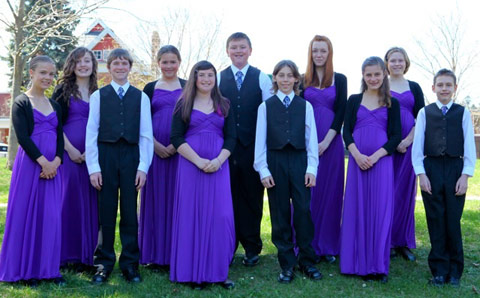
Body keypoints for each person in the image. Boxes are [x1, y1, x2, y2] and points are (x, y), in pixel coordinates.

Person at [85, 48, 153, 284]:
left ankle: (130, 264)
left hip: (131, 156)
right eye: (116, 64)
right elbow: (91, 132)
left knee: (129, 212)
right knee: (106, 210)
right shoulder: (98, 96)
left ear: (130, 68)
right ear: (109, 68)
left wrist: (143, 166)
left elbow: (146, 134)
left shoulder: (141, 97)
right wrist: (93, 167)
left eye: (124, 64)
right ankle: (103, 263)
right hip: (106, 155)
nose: (120, 67)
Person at [170, 60, 236, 290]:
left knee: (221, 216)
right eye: (202, 75)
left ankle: (218, 272)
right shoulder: (183, 103)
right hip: (191, 166)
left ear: (215, 78)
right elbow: (176, 137)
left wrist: (218, 161)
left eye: (211, 75)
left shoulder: (224, 104)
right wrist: (198, 161)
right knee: (192, 216)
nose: (206, 79)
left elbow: (232, 138)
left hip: (218, 167)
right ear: (194, 78)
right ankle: (193, 273)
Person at [0, 55, 65, 287]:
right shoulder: (21, 102)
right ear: (31, 73)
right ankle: (24, 271)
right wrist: (43, 162)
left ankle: (48, 270)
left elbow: (59, 137)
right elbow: (23, 137)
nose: (48, 77)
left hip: (54, 170)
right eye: (43, 73)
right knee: (26, 216)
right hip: (31, 167)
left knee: (51, 218)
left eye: (51, 73)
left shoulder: (55, 105)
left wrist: (56, 161)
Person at [254, 60, 322, 284]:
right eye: (280, 75)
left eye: (289, 75)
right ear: (274, 78)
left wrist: (312, 167)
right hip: (276, 162)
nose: (285, 79)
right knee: (280, 213)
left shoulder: (305, 106)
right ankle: (286, 263)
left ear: (296, 79)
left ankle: (307, 261)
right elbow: (260, 141)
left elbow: (311, 139)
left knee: (303, 211)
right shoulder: (266, 107)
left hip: (300, 161)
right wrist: (263, 169)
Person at [412, 69, 476, 287]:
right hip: (431, 168)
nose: (444, 89)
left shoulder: (462, 112)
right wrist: (421, 174)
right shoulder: (424, 113)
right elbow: (417, 147)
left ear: (455, 88)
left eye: (448, 85)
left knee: (452, 221)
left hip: (455, 169)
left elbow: (469, 146)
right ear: (433, 88)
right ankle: (439, 269)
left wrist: (465, 175)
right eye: (440, 85)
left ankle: (455, 270)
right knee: (435, 220)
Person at [340, 56, 401, 283]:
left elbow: (396, 136)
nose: (373, 78)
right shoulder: (354, 100)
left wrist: (375, 157)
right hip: (357, 163)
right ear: (363, 76)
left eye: (377, 74)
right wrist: (356, 154)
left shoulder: (391, 102)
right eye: (368, 74)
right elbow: (347, 132)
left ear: (384, 74)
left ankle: (377, 265)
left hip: (381, 162)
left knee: (380, 210)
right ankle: (354, 262)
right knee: (357, 208)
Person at [218, 32, 272, 267]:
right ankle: (228, 245)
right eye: (233, 48)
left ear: (250, 50)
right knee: (226, 198)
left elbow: (269, 113)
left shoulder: (262, 78)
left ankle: (252, 247)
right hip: (226, 150)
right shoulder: (218, 79)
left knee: (252, 198)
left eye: (242, 47)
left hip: (252, 148)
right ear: (227, 51)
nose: (238, 51)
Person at [52, 47, 99, 271]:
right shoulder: (62, 90)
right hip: (69, 155)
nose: (83, 65)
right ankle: (63, 255)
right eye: (79, 61)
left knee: (89, 203)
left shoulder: (99, 92)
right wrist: (69, 150)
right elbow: (55, 124)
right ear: (72, 65)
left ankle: (84, 257)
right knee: (67, 201)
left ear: (93, 65)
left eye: (87, 61)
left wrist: (92, 153)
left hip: (92, 157)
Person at [139, 45, 186, 270]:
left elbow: (193, 118)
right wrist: (155, 146)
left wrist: (178, 145)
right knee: (156, 200)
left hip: (182, 154)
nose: (169, 66)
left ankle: (177, 252)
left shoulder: (188, 87)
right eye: (164, 62)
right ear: (158, 63)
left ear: (179, 62)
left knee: (178, 201)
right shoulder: (149, 88)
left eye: (173, 61)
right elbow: (142, 121)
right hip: (154, 152)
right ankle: (154, 254)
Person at [301, 35, 347, 264]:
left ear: (329, 53)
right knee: (307, 195)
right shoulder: (301, 80)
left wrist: (326, 142)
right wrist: (310, 145)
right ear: (310, 53)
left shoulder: (340, 79)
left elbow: (341, 113)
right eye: (315, 50)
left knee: (330, 193)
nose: (319, 54)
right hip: (306, 143)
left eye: (323, 51)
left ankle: (328, 245)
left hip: (331, 143)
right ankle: (305, 243)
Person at [384, 47, 425, 261]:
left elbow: (422, 117)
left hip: (409, 147)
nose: (397, 63)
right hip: (386, 147)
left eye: (400, 60)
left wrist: (408, 140)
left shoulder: (415, 87)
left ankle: (402, 242)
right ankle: (386, 240)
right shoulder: (381, 85)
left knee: (404, 193)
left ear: (406, 62)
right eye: (393, 60)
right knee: (386, 193)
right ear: (387, 63)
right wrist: (391, 143)